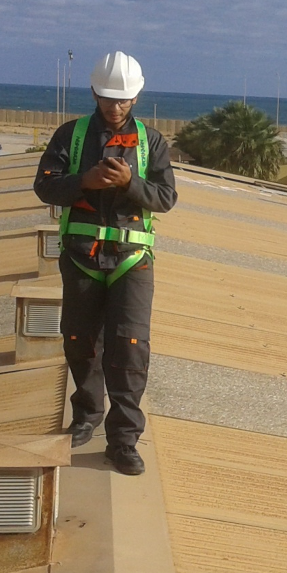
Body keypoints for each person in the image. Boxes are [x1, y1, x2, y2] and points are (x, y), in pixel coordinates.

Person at [32, 51, 178, 476]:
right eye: (110, 98)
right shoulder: (71, 136)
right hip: (82, 257)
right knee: (80, 340)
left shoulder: (151, 142)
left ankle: (124, 440)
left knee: (129, 346)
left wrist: (130, 183)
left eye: (124, 100)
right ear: (95, 93)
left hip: (133, 259)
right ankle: (87, 416)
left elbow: (165, 198)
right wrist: (85, 181)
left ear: (136, 98)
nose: (116, 107)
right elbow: (44, 186)